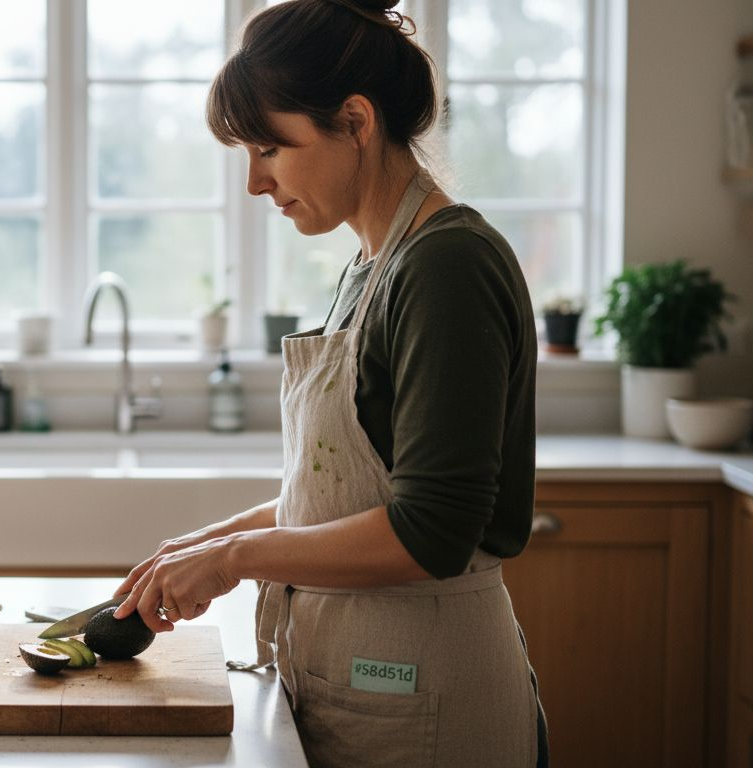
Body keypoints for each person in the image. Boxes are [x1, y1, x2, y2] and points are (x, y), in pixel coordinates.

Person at [112, 1, 548, 765]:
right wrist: (212, 540)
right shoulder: (373, 267)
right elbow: (354, 493)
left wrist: (234, 560)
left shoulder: (447, 267)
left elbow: (433, 528)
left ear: (354, 121)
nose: (254, 182)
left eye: (269, 149)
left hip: (431, 701)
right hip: (372, 690)